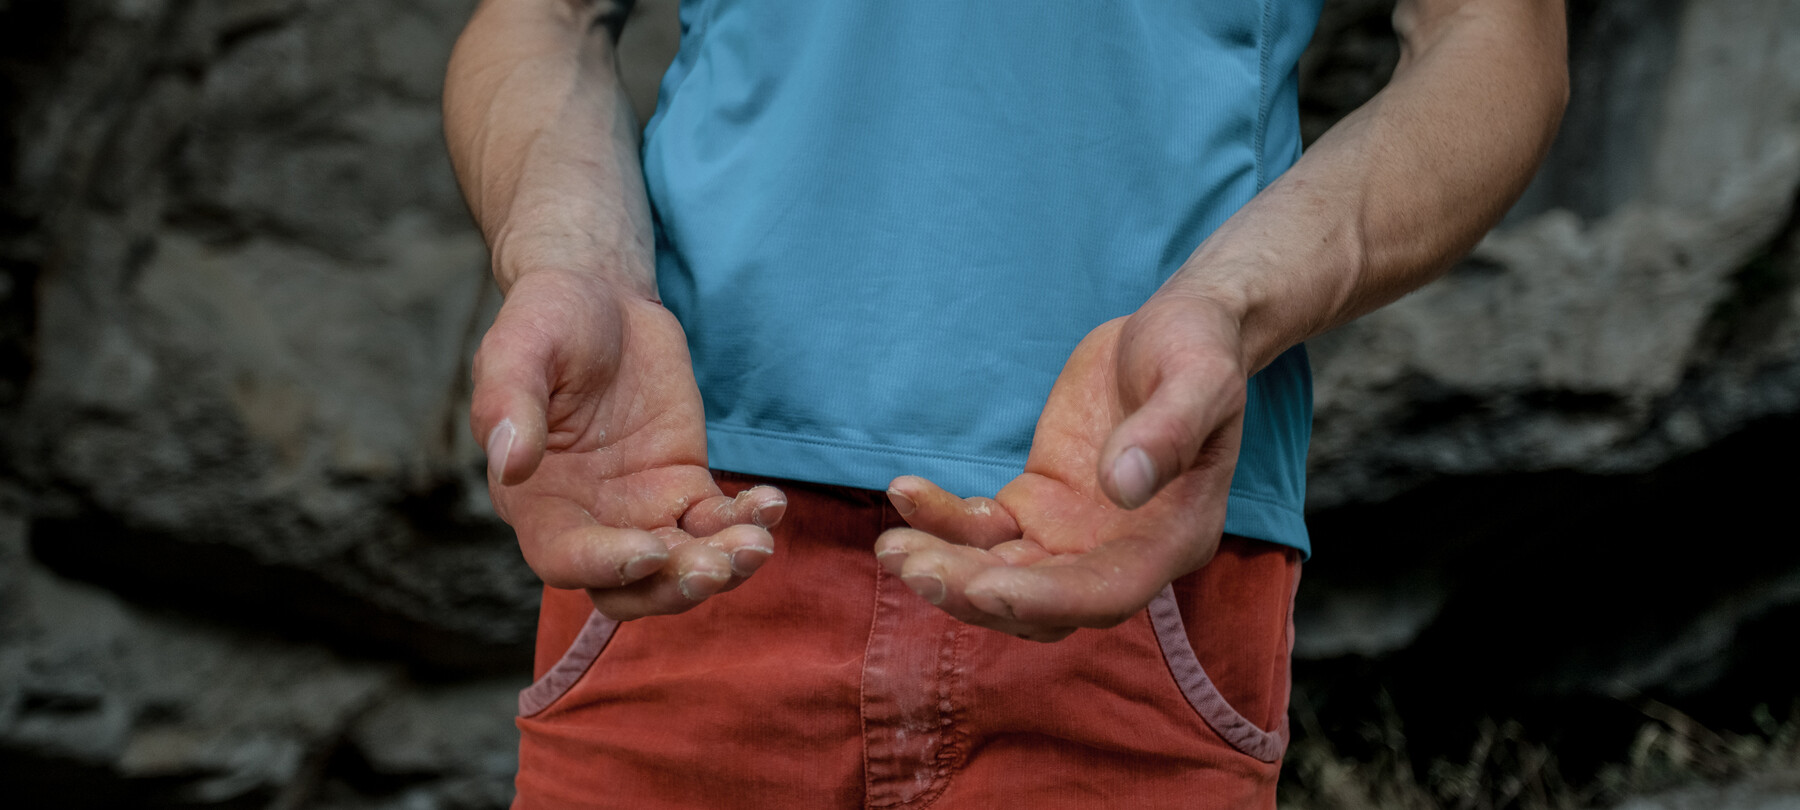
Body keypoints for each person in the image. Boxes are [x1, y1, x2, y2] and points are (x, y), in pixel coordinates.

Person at [442, 0, 1567, 807]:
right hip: (684, 526)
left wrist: (1233, 306)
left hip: (1133, 532)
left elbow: (1494, 39)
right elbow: (541, 18)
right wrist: (571, 260)